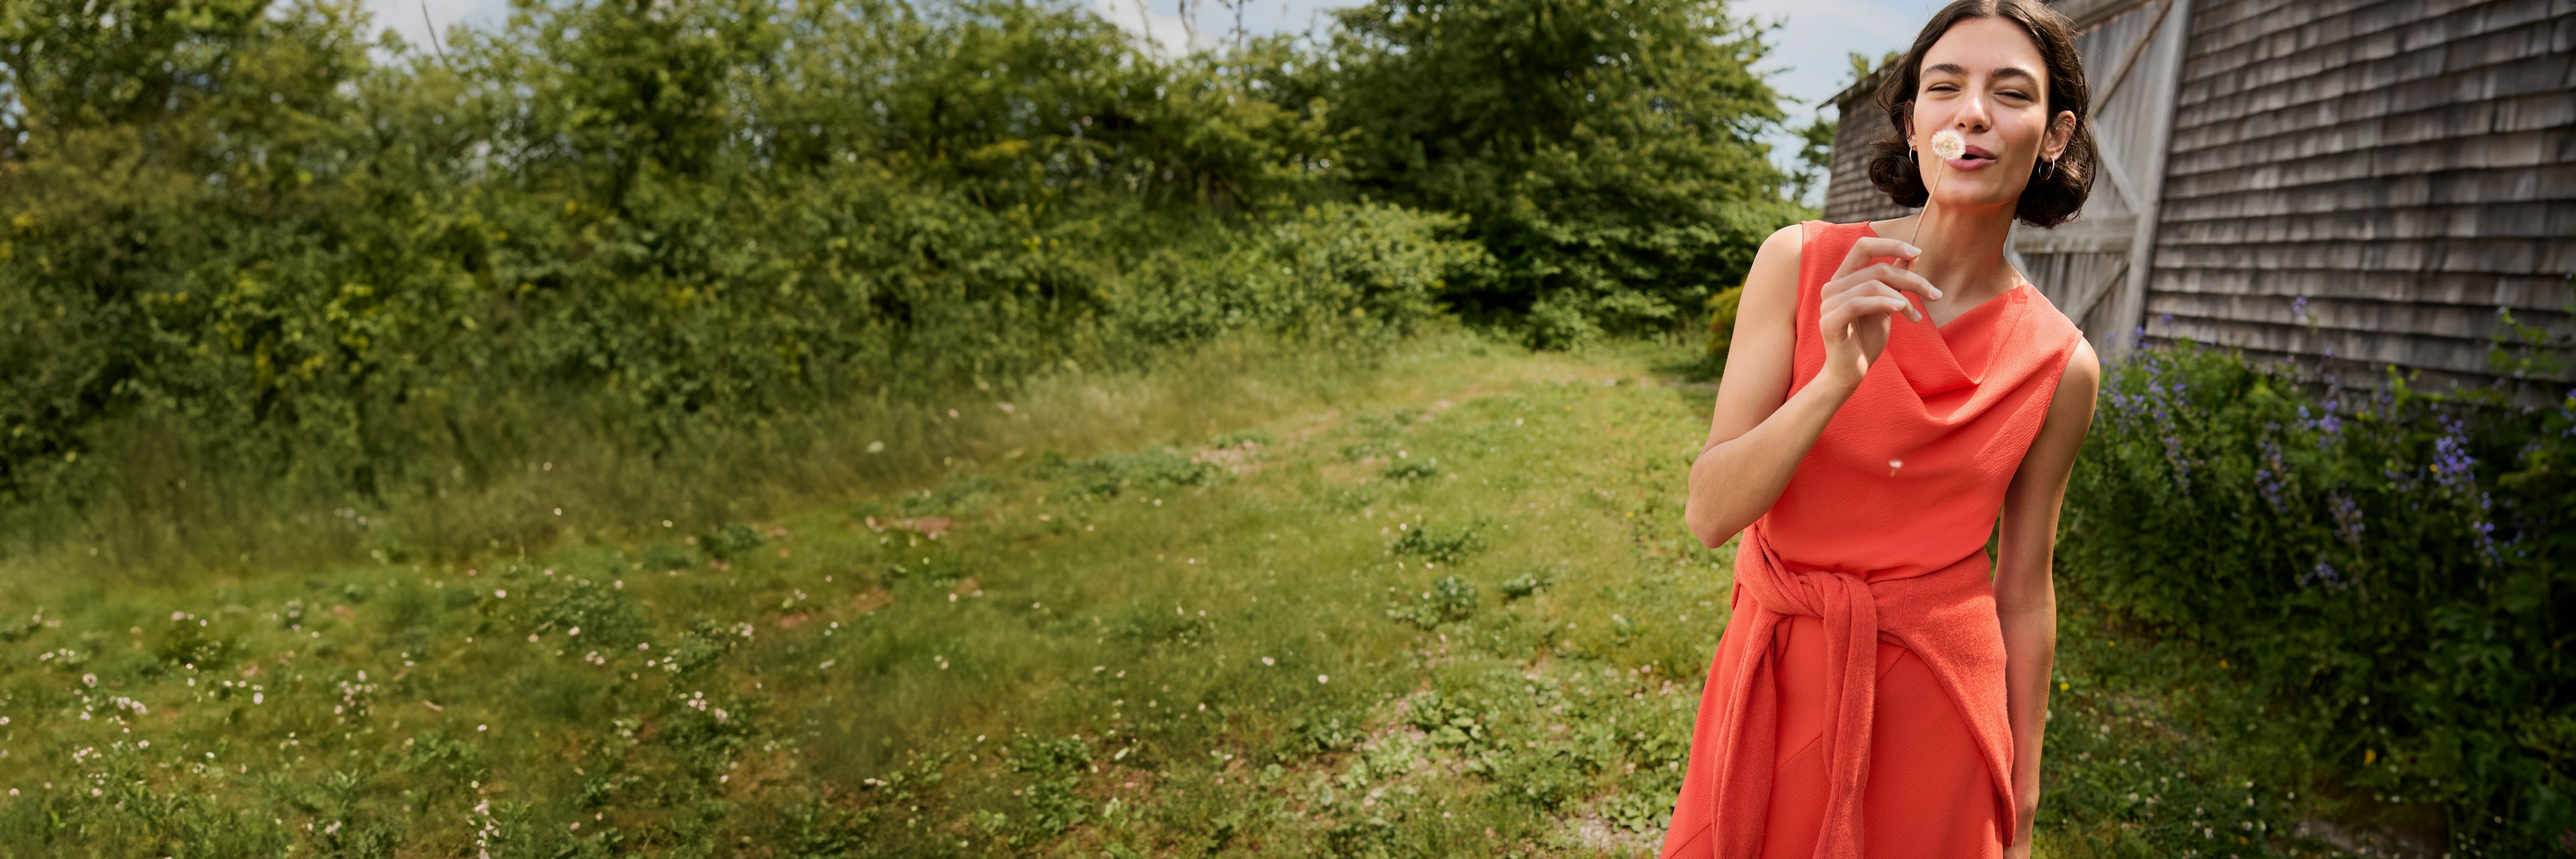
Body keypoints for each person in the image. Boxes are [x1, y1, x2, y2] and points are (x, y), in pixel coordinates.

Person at [1657, 1, 2101, 857]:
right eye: (1946, 87)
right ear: (1914, 122)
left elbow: (2025, 589)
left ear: (2052, 135)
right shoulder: (1798, 262)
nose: (1973, 111)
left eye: (2011, 94)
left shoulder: (2063, 365)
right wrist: (1834, 382)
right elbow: (1710, 514)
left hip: (1940, 701)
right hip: (1776, 679)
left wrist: (2026, 787)